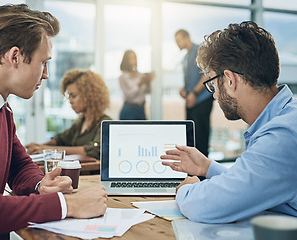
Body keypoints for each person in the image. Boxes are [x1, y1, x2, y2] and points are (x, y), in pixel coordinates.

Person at [0, 4, 107, 239]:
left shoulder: (0, 106)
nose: (46, 74)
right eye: (43, 62)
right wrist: (69, 206)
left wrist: (41, 185)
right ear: (14, 56)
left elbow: (19, 165)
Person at [161, 21, 297, 223]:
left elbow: (206, 205)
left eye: (213, 84)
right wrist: (208, 167)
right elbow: (259, 185)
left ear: (230, 80)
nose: (214, 94)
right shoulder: (286, 118)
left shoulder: (282, 135)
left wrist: (187, 190)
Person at [25, 69, 111, 160]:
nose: (70, 101)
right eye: (69, 96)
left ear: (89, 95)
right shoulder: (81, 123)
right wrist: (38, 146)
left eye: (73, 96)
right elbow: (60, 139)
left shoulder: (105, 123)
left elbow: (93, 150)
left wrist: (46, 149)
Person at [175, 30, 214, 157]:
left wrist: (195, 94)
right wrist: (185, 90)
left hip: (201, 100)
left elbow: (207, 74)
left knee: (201, 137)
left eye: (179, 40)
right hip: (192, 101)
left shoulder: (199, 50)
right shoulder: (186, 57)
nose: (177, 44)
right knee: (190, 137)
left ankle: (203, 174)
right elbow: (191, 80)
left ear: (187, 37)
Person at [118, 50, 154, 120]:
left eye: (135, 58)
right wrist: (140, 84)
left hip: (141, 109)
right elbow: (129, 95)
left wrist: (147, 82)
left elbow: (148, 91)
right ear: (126, 60)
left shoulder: (140, 75)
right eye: (131, 58)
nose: (134, 60)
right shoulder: (122, 77)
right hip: (129, 110)